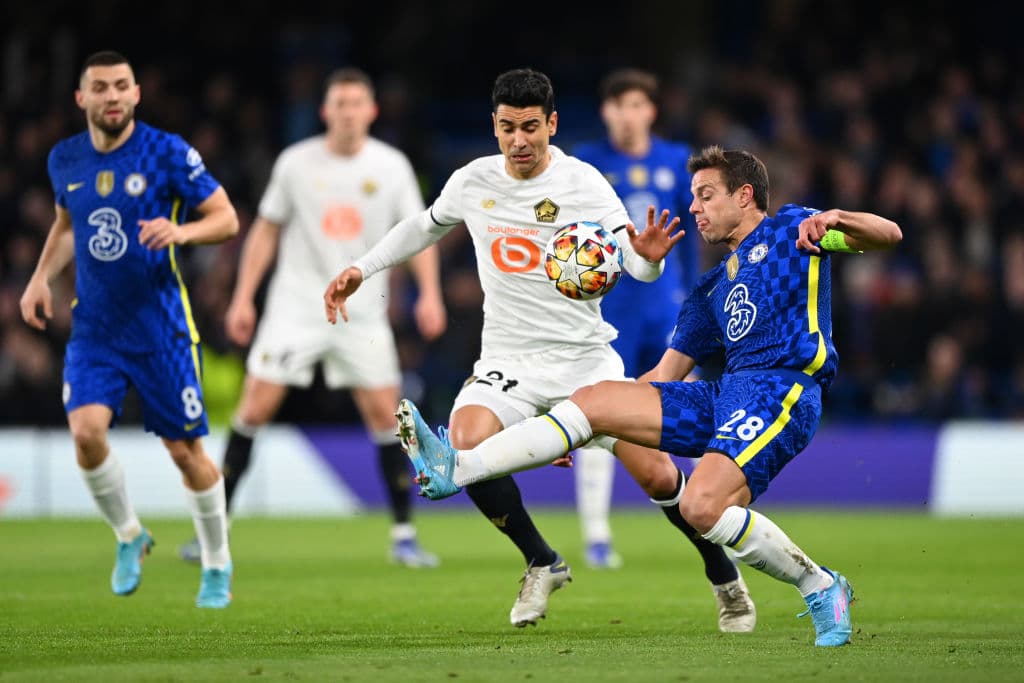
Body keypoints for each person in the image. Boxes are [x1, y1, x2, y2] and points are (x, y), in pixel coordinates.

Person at [397, 145, 903, 647]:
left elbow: (889, 236)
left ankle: (820, 584)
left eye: (705, 196)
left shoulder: (794, 230)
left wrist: (841, 219)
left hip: (782, 388)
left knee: (701, 508)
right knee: (597, 398)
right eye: (693, 197)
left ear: (745, 195)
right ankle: (459, 465)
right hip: (726, 394)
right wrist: (569, 429)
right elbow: (662, 376)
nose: (694, 208)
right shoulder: (708, 292)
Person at [324, 69, 755, 632]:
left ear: (551, 124)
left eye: (531, 127)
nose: (519, 140)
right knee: (468, 441)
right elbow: (423, 227)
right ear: (495, 127)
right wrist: (362, 267)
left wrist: (648, 258)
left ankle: (724, 578)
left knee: (656, 477)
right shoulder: (473, 180)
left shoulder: (584, 183)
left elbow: (636, 264)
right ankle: (541, 560)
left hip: (585, 360)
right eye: (508, 128)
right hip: (508, 361)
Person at [177, 68, 447, 568]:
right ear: (325, 112)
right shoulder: (295, 163)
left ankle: (404, 536)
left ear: (372, 111)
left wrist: (429, 294)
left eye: (356, 103)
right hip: (296, 306)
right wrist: (243, 298)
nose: (347, 112)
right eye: (339, 104)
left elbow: (419, 234)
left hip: (363, 310)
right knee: (253, 408)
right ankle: (214, 533)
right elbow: (265, 232)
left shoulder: (391, 167)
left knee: (387, 415)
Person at [18, 50, 240, 607]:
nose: (112, 95)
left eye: (121, 86)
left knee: (185, 453)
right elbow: (68, 224)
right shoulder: (64, 159)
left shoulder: (166, 152)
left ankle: (217, 563)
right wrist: (40, 277)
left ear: (136, 93)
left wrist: (181, 232)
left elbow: (226, 218)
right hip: (94, 328)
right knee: (87, 434)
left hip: (160, 328)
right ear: (82, 98)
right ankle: (130, 535)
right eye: (101, 87)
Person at [570, 68, 700, 570]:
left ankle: (707, 513)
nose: (628, 115)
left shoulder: (675, 161)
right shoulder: (587, 165)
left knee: (686, 408)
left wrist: (694, 302)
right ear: (606, 112)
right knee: (598, 417)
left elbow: (693, 237)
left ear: (652, 111)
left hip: (666, 312)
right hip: (608, 314)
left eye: (637, 105)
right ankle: (597, 535)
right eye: (618, 105)